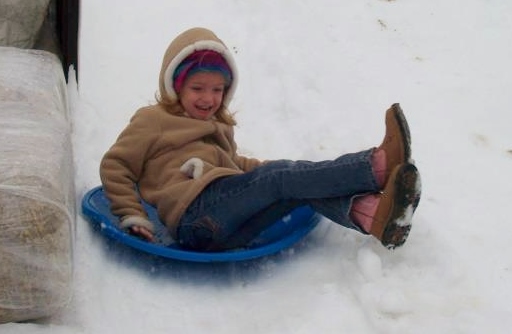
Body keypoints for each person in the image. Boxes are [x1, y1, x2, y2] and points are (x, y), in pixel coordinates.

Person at [100, 27, 421, 252]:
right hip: (194, 215)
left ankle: (372, 215)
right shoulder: (154, 120)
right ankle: (374, 167)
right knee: (281, 179)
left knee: (297, 187)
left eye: (217, 89)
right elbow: (117, 165)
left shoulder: (218, 126)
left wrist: (289, 175)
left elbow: (235, 165)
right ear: (175, 85)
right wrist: (133, 213)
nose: (208, 98)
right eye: (197, 88)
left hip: (225, 231)